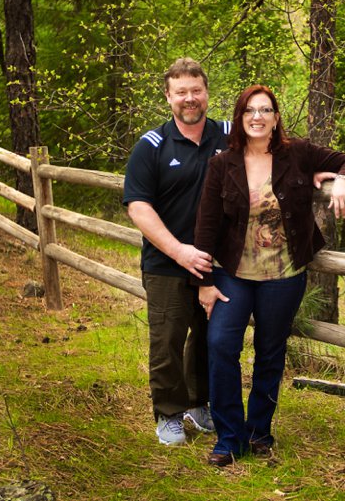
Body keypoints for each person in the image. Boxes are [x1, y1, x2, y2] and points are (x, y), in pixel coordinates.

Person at [193, 84, 345, 466]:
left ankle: (259, 433)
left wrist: (342, 179)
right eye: (250, 111)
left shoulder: (298, 153)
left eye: (265, 110)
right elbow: (206, 227)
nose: (258, 117)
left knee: (270, 351)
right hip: (232, 272)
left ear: (275, 117)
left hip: (284, 274)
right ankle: (229, 438)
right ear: (240, 118)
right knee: (221, 344)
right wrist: (204, 282)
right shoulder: (222, 164)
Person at [123, 58, 230, 446]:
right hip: (166, 263)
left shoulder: (229, 135)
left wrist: (330, 172)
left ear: (207, 93)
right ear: (168, 96)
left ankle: (199, 403)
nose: (190, 98)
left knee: (209, 335)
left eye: (196, 90)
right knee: (167, 338)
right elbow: (138, 206)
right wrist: (179, 251)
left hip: (219, 263)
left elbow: (280, 152)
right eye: (181, 92)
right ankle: (168, 412)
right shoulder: (152, 146)